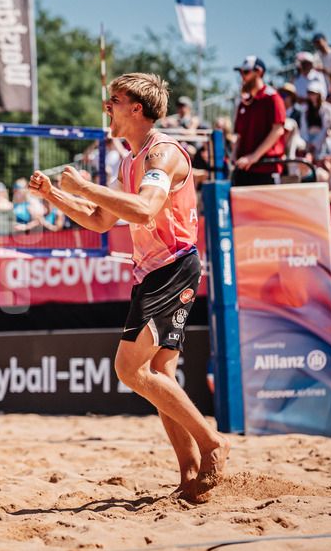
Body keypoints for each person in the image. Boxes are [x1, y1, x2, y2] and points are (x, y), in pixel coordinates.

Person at [28, 72, 229, 503]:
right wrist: (55, 197)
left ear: (137, 109)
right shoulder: (130, 160)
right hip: (154, 271)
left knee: (128, 369)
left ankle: (212, 443)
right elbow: (101, 219)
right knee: (161, 377)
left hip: (172, 267)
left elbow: (143, 210)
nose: (107, 107)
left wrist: (86, 186)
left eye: (114, 101)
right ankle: (190, 475)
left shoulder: (163, 153)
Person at [231, 56, 286, 186]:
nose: (242, 76)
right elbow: (238, 134)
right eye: (241, 72)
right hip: (244, 168)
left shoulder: (272, 97)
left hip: (266, 167)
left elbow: (278, 130)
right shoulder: (244, 103)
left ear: (259, 72)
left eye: (246, 72)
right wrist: (234, 154)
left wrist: (254, 156)